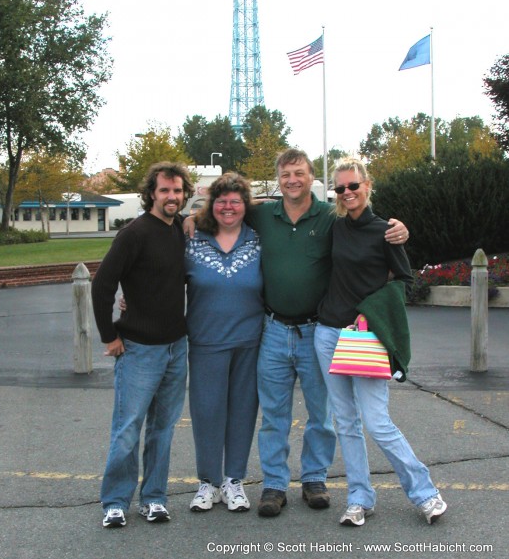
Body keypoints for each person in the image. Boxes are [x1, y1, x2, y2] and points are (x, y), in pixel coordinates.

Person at [183, 148, 408, 517]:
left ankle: (314, 478)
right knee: (274, 414)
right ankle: (273, 484)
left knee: (321, 413)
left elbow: (363, 227)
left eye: (299, 173)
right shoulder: (262, 214)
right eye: (286, 174)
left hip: (316, 330)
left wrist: (398, 227)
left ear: (311, 178)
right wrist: (192, 217)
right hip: (271, 329)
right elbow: (227, 208)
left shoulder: (330, 217)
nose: (293, 180)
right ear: (278, 178)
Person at [314, 157, 447, 526]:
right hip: (327, 334)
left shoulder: (386, 230)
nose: (347, 193)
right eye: (340, 188)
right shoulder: (335, 227)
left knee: (376, 421)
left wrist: (370, 312)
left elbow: (405, 281)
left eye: (353, 186)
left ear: (367, 185)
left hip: (366, 335)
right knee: (345, 421)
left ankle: (424, 493)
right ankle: (359, 498)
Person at [91, 161, 194, 529]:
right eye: (165, 190)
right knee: (128, 427)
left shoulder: (179, 231)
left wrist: (192, 217)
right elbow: (103, 285)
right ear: (152, 193)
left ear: (185, 194)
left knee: (163, 429)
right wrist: (110, 335)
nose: (171, 196)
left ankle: (154, 498)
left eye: (178, 191)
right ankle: (115, 502)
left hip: (175, 347)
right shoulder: (134, 233)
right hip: (138, 349)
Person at [186, 173, 264, 512]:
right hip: (205, 340)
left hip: (250, 340)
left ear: (245, 205)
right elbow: (154, 268)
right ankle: (208, 482)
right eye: (221, 201)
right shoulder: (191, 237)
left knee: (243, 411)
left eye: (235, 200)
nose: (228, 207)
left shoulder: (260, 238)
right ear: (211, 205)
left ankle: (234, 480)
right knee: (206, 411)